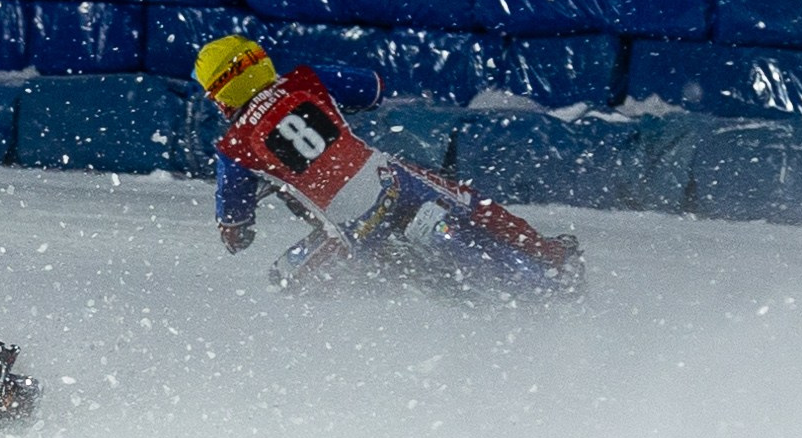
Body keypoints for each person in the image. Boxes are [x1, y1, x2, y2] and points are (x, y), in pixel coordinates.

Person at [194, 36, 578, 293]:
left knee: (285, 279)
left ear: (222, 92)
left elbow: (234, 226)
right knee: (467, 201)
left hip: (353, 227)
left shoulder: (235, 147)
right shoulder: (304, 80)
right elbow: (372, 88)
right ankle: (547, 253)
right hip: (391, 182)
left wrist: (238, 232)